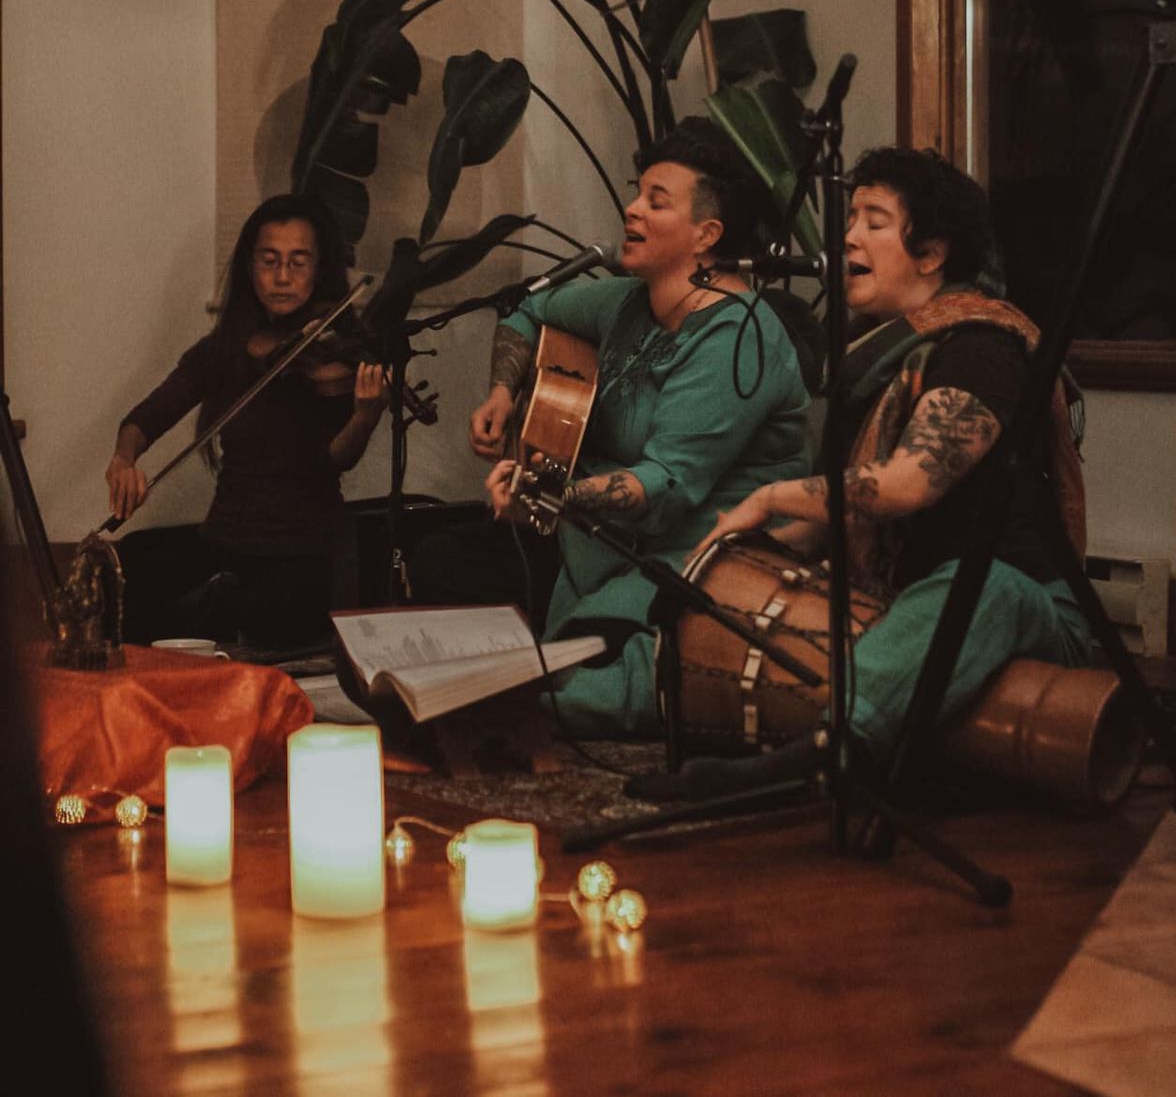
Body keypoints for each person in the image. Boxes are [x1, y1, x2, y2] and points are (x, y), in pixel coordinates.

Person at [631, 145, 1091, 798]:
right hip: (908, 609)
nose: (848, 235)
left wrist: (771, 496)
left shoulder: (982, 350)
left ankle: (817, 758)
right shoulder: (873, 364)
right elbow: (838, 519)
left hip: (1028, 612)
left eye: (875, 221)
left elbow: (905, 484)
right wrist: (726, 567)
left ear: (931, 254)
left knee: (983, 581)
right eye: (850, 218)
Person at [405, 117, 813, 734]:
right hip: (596, 538)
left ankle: (515, 704)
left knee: (589, 670)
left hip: (696, 556)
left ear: (706, 235)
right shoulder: (627, 300)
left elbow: (663, 486)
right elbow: (529, 310)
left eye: (656, 201)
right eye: (636, 193)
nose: (632, 209)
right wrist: (502, 393)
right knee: (443, 560)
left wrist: (545, 495)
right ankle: (469, 700)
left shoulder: (737, 337)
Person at [108, 194, 390, 649]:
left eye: (298, 262)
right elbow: (148, 416)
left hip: (302, 551)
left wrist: (364, 416)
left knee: (244, 606)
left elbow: (337, 458)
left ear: (320, 270)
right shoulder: (224, 349)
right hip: (224, 541)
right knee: (131, 566)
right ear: (249, 267)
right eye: (269, 260)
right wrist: (124, 460)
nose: (283, 277)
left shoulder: (335, 351)